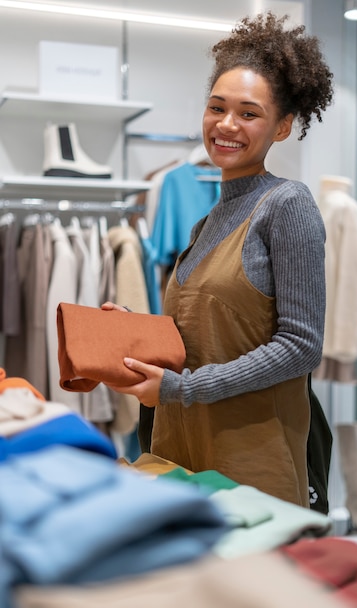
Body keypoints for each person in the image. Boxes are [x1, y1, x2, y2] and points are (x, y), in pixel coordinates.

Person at [102, 12, 334, 508]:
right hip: (180, 449)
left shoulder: (287, 205)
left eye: (248, 113)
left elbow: (301, 345)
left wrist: (183, 389)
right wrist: (135, 334)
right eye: (216, 107)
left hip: (250, 457)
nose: (226, 125)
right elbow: (204, 334)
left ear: (284, 126)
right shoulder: (204, 226)